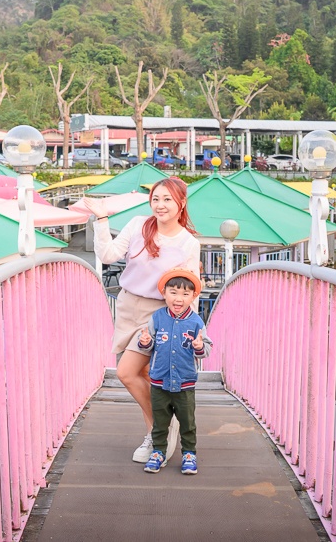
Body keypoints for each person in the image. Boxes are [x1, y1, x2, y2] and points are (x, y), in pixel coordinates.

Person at [84, 177, 201, 463]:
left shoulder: (188, 242)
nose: (160, 205)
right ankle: (160, 429)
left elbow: (190, 289)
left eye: (167, 200)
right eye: (156, 199)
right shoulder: (138, 224)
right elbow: (108, 255)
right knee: (146, 376)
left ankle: (158, 429)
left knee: (125, 372)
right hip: (126, 307)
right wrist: (101, 219)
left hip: (158, 314)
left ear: (181, 203)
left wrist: (190, 330)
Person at [136, 268, 209, 475]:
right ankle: (158, 452)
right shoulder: (158, 317)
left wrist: (199, 346)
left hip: (185, 382)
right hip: (159, 381)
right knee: (160, 422)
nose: (179, 298)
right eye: (174, 292)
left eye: (186, 294)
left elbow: (207, 348)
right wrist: (145, 342)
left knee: (187, 422)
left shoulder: (196, 321)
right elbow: (147, 343)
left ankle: (189, 453)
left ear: (193, 296)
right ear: (164, 293)